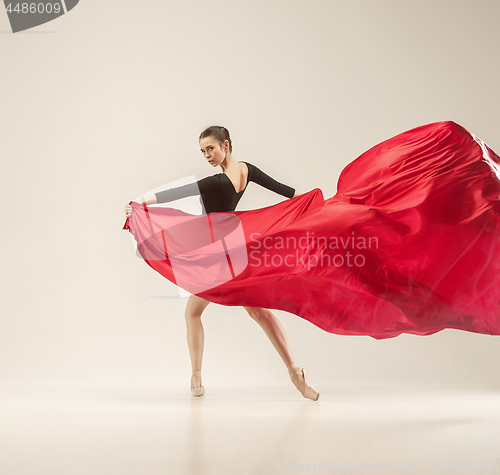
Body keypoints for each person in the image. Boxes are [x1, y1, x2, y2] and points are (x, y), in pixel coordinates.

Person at [124, 125, 320, 400]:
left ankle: (196, 376)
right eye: (203, 151)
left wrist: (140, 202)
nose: (206, 155)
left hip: (217, 256)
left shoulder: (216, 182)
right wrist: (319, 201)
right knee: (258, 313)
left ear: (225, 145)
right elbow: (287, 192)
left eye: (210, 149)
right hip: (237, 252)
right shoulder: (247, 171)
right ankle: (294, 372)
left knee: (193, 313)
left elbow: (177, 192)